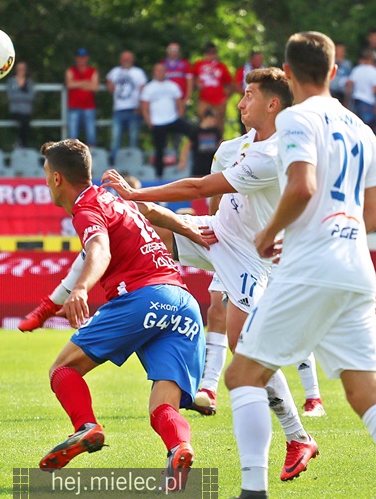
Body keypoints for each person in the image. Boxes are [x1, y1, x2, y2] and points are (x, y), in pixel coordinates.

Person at [226, 31, 376, 499]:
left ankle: (251, 491)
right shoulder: (362, 127)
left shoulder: (296, 119)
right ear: (334, 71)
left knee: (242, 376)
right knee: (367, 393)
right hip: (356, 268)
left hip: (310, 265)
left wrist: (269, 231)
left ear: (290, 73)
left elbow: (300, 186)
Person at [104, 67, 320, 479]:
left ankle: (297, 435)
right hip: (219, 235)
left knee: (246, 351)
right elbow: (212, 203)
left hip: (250, 256)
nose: (240, 103)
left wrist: (137, 193)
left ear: (273, 103)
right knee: (153, 225)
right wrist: (168, 217)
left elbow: (200, 188)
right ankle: (160, 310)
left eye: (249, 96)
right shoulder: (237, 145)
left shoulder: (269, 155)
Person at [36, 139, 208, 490]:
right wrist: (192, 230)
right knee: (164, 408)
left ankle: (86, 426)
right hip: (183, 301)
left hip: (142, 298)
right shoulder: (115, 198)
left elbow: (98, 248)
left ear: (56, 179)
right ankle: (179, 449)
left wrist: (81, 288)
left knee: (63, 369)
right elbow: (157, 213)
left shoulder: (87, 208)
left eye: (45, 175)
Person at [141, 62, 193, 178]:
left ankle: (192, 163)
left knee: (193, 133)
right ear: (154, 73)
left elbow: (179, 103)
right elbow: (145, 108)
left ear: (166, 72)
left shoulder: (172, 86)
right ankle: (159, 176)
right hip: (157, 123)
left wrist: (179, 116)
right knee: (159, 150)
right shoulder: (149, 88)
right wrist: (150, 123)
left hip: (173, 119)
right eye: (157, 70)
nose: (160, 73)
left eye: (162, 70)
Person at [106, 51, 148, 164]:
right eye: (124, 58)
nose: (126, 60)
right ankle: (113, 163)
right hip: (118, 109)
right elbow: (109, 83)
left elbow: (143, 91)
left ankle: (133, 162)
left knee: (133, 138)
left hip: (134, 109)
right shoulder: (115, 72)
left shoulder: (138, 73)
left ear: (132, 60)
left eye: (128, 58)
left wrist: (140, 107)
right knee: (115, 138)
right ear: (120, 60)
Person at [192, 43, 233, 134]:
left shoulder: (221, 66)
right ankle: (203, 144)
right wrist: (196, 84)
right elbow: (192, 78)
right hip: (204, 99)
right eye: (209, 52)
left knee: (219, 123)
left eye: (213, 52)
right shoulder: (198, 65)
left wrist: (226, 98)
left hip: (219, 99)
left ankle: (219, 144)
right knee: (203, 121)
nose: (211, 55)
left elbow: (229, 84)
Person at [65, 48, 98, 146]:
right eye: (79, 58)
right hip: (74, 107)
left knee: (91, 135)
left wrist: (77, 84)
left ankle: (91, 156)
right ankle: (72, 157)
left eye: (83, 58)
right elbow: (69, 84)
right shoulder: (71, 70)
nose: (81, 60)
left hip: (89, 107)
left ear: (87, 58)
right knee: (73, 136)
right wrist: (86, 82)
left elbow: (94, 87)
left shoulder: (93, 71)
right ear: (76, 59)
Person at [178, 110, 222, 177]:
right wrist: (183, 161)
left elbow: (221, 145)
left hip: (211, 165)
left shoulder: (215, 132)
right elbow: (187, 146)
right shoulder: (196, 131)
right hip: (198, 165)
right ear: (206, 118)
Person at [346, 49, 376, 125]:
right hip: (368, 102)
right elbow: (375, 90)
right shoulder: (375, 72)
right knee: (368, 126)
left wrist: (347, 101)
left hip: (356, 100)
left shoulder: (357, 69)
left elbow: (349, 85)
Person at [234, 51, 265, 132]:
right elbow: (236, 86)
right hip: (246, 102)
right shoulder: (242, 70)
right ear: (251, 60)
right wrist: (250, 93)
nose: (259, 61)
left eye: (260, 59)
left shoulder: (265, 72)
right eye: (257, 59)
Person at [6, 61, 35, 148]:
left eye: (23, 69)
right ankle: (21, 144)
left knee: (26, 122)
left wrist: (18, 95)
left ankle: (21, 144)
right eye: (19, 69)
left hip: (27, 111)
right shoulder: (11, 82)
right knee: (24, 122)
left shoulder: (29, 82)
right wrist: (23, 96)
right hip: (15, 111)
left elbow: (31, 97)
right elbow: (11, 96)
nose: (21, 70)